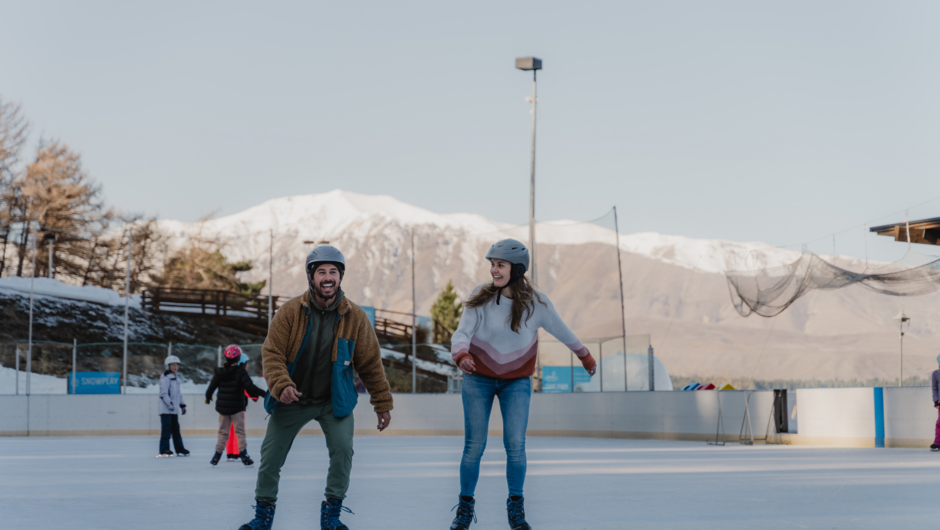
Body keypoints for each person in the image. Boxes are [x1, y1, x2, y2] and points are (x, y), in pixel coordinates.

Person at [239, 245, 394, 530]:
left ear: (340, 277)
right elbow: (271, 353)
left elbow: (371, 363)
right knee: (271, 456)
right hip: (292, 399)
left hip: (332, 401)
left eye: (333, 272)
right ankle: (263, 515)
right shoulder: (290, 312)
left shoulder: (356, 317)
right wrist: (281, 384)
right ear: (311, 277)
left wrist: (382, 403)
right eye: (321, 271)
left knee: (343, 450)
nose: (327, 277)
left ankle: (331, 514)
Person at [448, 239, 597, 530]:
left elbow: (561, 328)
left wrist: (585, 355)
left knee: (515, 445)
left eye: (500, 265)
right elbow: (462, 332)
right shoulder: (481, 295)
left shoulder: (536, 302)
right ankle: (464, 509)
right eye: (492, 264)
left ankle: (516, 509)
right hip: (477, 378)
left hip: (516, 382)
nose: (493, 270)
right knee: (473, 447)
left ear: (517, 269)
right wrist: (461, 354)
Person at [206, 344, 265, 466]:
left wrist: (208, 396)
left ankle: (216, 456)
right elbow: (251, 388)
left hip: (223, 409)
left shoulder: (220, 372)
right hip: (237, 409)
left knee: (223, 432)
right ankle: (244, 455)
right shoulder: (240, 372)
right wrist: (266, 394)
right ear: (238, 359)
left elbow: (211, 386)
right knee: (240, 432)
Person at [157, 355, 189, 458]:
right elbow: (163, 394)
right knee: (166, 430)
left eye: (176, 365)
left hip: (174, 410)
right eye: (173, 365)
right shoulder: (165, 378)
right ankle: (164, 449)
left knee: (176, 430)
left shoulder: (176, 378)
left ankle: (179, 449)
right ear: (168, 366)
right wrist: (169, 404)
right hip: (166, 410)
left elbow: (178, 394)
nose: (175, 367)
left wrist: (182, 405)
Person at [932, 354, 940, 452]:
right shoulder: (935, 374)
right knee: (939, 423)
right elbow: (934, 388)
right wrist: (936, 401)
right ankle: (937, 443)